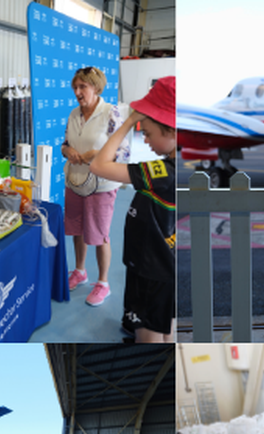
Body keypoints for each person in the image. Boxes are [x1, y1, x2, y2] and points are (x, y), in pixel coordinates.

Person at [90, 76, 175, 343]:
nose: (145, 140)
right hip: (164, 265)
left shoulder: (162, 173)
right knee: (164, 325)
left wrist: (127, 122)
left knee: (148, 333)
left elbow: (100, 165)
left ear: (172, 130)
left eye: (147, 133)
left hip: (151, 268)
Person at [62, 66, 129, 308]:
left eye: (83, 87)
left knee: (100, 235)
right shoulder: (73, 114)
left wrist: (97, 154)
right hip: (76, 181)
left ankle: (103, 283)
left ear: (96, 88)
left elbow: (124, 150)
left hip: (102, 185)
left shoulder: (110, 113)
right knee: (77, 229)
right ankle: (80, 271)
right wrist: (67, 150)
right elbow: (65, 143)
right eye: (75, 87)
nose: (78, 92)